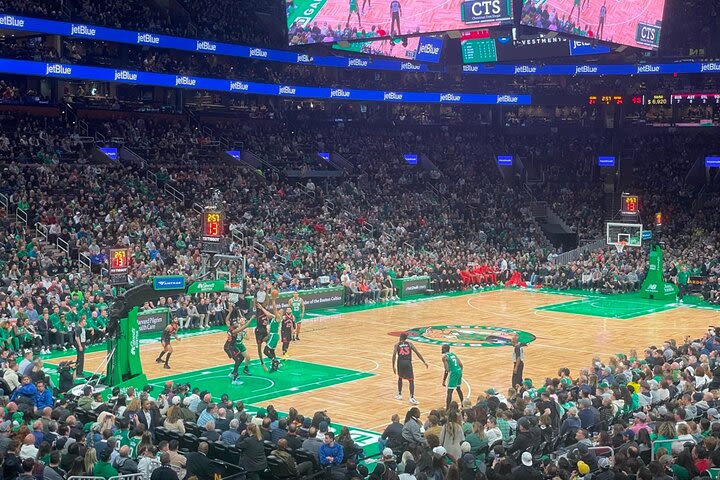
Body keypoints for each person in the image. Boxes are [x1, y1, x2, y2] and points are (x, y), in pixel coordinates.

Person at [392, 333, 428, 405]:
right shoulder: (410, 344)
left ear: (400, 337)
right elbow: (417, 352)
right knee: (411, 380)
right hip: (408, 362)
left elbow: (394, 356)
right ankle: (411, 397)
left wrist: (393, 366)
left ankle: (399, 394)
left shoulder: (396, 345)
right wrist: (424, 361)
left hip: (400, 363)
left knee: (400, 378)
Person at [224, 319, 251, 383]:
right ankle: (235, 377)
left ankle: (233, 372)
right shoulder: (234, 331)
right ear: (233, 325)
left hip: (233, 346)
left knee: (241, 357)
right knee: (237, 360)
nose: (236, 324)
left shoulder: (231, 328)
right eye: (235, 323)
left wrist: (230, 312)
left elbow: (227, 321)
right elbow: (245, 326)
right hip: (229, 347)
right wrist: (251, 318)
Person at [442, 345, 464, 410]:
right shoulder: (453, 354)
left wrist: (444, 380)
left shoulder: (445, 357)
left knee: (449, 392)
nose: (441, 350)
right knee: (458, 388)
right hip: (459, 371)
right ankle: (463, 404)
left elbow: (447, 370)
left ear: (445, 349)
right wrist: (459, 373)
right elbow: (461, 365)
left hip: (454, 372)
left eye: (442, 349)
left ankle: (447, 409)